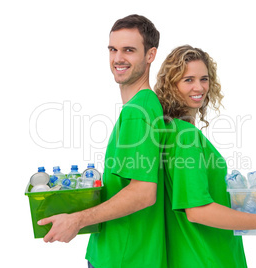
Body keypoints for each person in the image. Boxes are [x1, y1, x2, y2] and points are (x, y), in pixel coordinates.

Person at [154, 45, 256, 267]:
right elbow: (197, 210)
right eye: (188, 80)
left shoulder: (171, 131)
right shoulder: (186, 137)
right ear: (171, 85)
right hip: (206, 257)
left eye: (204, 78)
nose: (199, 87)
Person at [38, 15, 167, 268]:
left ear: (150, 55)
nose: (118, 58)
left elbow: (143, 193)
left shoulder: (136, 113)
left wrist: (77, 219)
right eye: (113, 49)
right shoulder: (148, 106)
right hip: (132, 252)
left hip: (122, 257)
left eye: (129, 50)